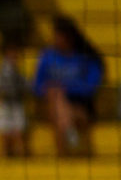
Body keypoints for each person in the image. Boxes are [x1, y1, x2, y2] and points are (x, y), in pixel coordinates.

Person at [32, 15, 105, 157]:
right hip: (49, 105)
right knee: (56, 98)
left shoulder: (86, 57)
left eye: (56, 35)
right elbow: (36, 86)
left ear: (68, 37)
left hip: (80, 107)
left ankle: (63, 156)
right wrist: (53, 89)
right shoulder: (47, 56)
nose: (53, 39)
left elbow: (90, 87)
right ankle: (69, 136)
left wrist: (64, 88)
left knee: (59, 103)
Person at [0, 43, 30, 157]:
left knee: (18, 132)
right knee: (5, 133)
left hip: (17, 104)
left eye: (15, 55)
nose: (14, 57)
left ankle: (18, 156)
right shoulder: (2, 71)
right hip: (5, 104)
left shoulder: (18, 72)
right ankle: (6, 156)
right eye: (11, 54)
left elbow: (26, 87)